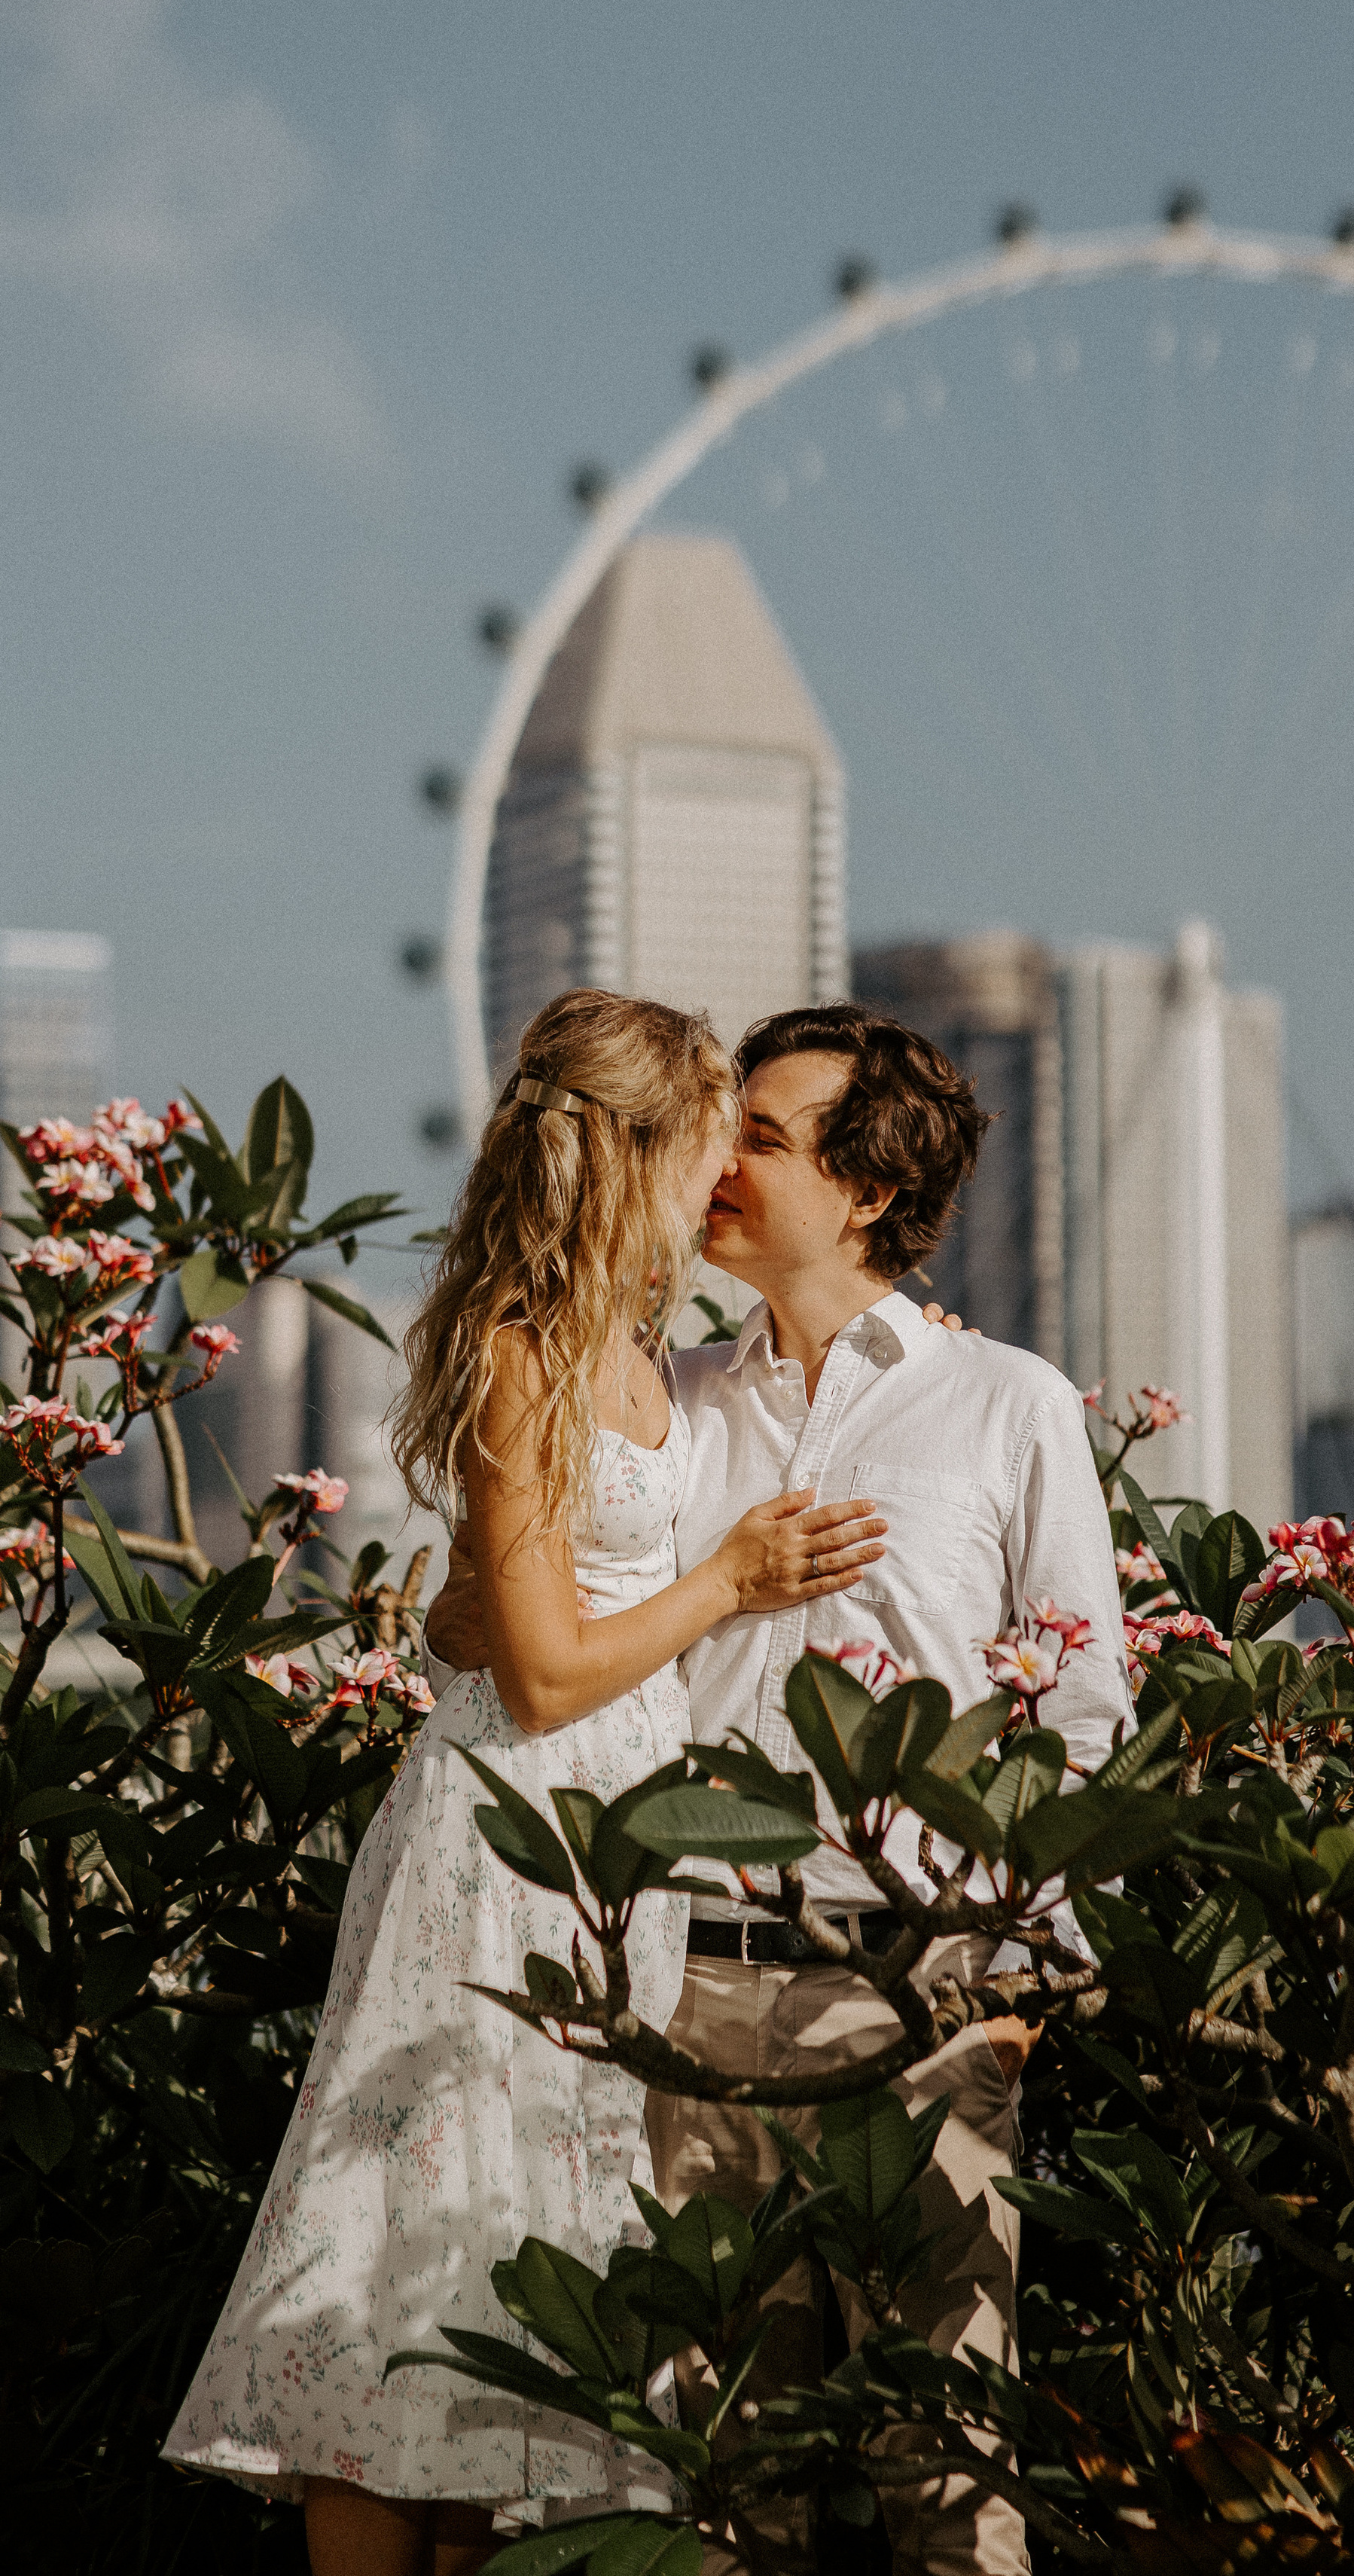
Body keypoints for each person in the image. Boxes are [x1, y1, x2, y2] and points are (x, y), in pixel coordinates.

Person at [164, 991, 887, 2576]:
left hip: (615, 1850)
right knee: (409, 2263)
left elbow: (472, 1616)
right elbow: (547, 1672)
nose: (723, 1179)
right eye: (708, 1145)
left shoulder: (638, 1353)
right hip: (508, 1840)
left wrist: (488, 1604)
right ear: (632, 1152)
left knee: (525, 2254)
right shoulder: (522, 1349)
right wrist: (733, 1580)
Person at [426, 1001, 1133, 2576]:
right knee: (719, 2478)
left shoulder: (1007, 1404)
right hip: (689, 1998)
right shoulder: (667, 1397)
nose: (716, 1166)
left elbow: (1079, 1712)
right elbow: (504, 1620)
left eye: (759, 1137)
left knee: (947, 2470)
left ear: (869, 1188)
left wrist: (1017, 1982)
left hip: (923, 1996)